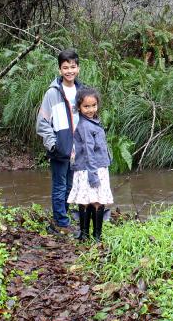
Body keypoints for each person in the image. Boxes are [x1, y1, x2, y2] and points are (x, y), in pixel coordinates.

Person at [37, 49, 82, 235]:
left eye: (73, 67)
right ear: (59, 69)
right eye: (65, 67)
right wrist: (53, 144)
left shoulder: (81, 91)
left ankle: (62, 216)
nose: (69, 71)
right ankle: (61, 223)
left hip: (77, 148)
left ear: (78, 68)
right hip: (59, 148)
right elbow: (42, 123)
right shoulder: (52, 93)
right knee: (59, 185)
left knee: (71, 186)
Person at [66, 87, 113, 242]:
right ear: (79, 107)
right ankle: (93, 236)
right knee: (94, 201)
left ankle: (88, 234)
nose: (91, 109)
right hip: (91, 169)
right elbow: (88, 151)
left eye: (94, 105)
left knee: (88, 200)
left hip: (94, 167)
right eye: (86, 106)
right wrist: (93, 175)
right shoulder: (85, 126)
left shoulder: (93, 122)